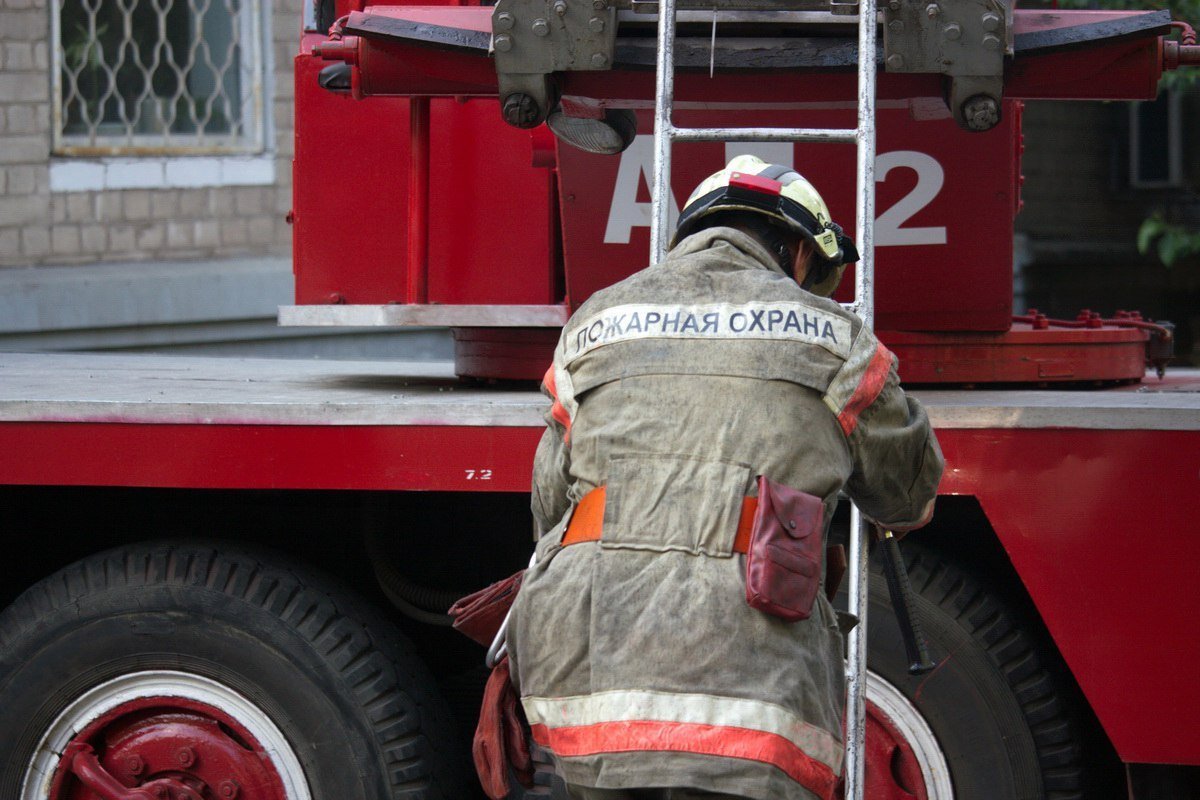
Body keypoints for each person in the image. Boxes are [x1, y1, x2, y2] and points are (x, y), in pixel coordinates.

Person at [507, 155, 944, 800]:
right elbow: (907, 494)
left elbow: (549, 509)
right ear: (799, 250)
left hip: (584, 665)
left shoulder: (593, 322)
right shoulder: (836, 339)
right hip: (746, 676)